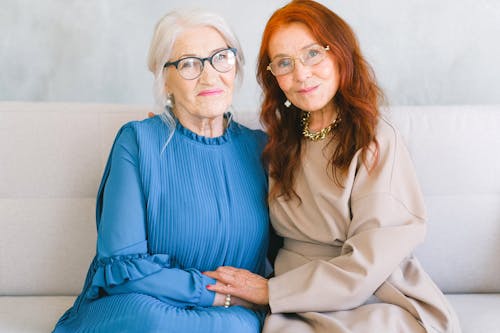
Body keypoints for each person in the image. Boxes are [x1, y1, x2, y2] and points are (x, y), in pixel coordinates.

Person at [204, 1, 462, 332]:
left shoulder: (375, 140)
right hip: (296, 299)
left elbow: (368, 264)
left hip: (374, 294)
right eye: (284, 63)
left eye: (312, 54)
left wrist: (270, 291)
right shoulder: (282, 139)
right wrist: (176, 133)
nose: (301, 74)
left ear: (340, 53)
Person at [53, 8, 270, 333]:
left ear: (236, 64)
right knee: (156, 322)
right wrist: (223, 296)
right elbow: (123, 266)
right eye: (189, 64)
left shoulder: (261, 148)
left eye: (221, 58)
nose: (210, 77)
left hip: (236, 316)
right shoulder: (138, 141)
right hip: (144, 303)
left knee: (239, 328)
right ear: (163, 77)